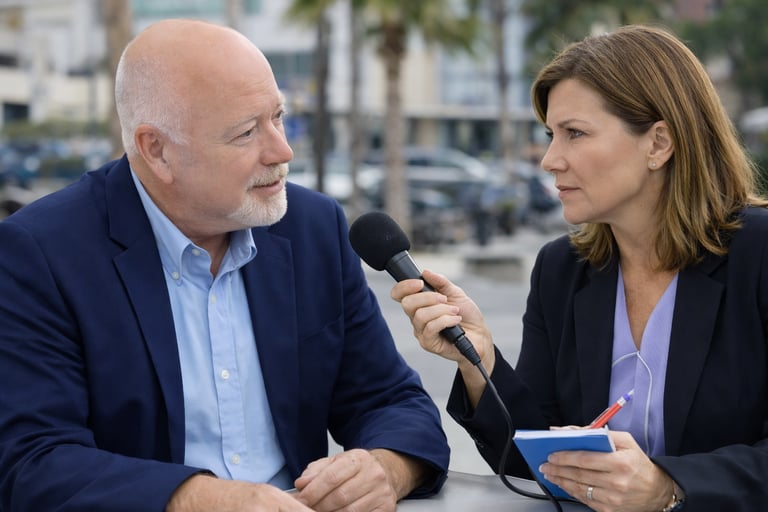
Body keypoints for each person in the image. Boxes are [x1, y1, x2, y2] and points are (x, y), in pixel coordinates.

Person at [0, 19, 449, 512]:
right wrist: (203, 500)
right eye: (246, 133)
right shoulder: (40, 253)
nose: (282, 150)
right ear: (156, 150)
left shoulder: (311, 226)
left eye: (278, 117)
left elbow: (391, 400)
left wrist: (385, 468)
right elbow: (33, 461)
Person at [392, 24, 768, 512]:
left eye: (575, 133)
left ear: (658, 143)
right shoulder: (561, 269)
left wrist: (668, 486)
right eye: (551, 135)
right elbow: (533, 463)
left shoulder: (759, 255)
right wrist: (478, 362)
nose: (550, 160)